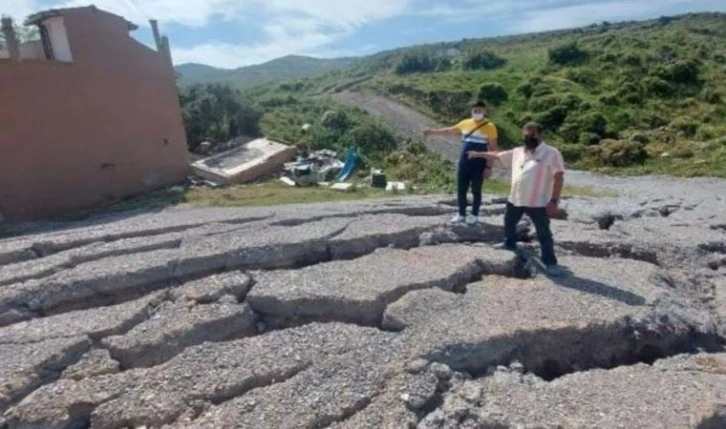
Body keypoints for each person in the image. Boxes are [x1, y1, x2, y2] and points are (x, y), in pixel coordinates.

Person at [468, 122, 565, 276]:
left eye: (532, 134)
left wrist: (554, 201)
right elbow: (498, 155)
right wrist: (479, 154)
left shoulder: (551, 153)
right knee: (509, 221)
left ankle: (550, 262)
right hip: (516, 198)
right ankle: (509, 243)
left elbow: (559, 176)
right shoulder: (519, 151)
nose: (529, 137)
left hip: (538, 202)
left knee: (543, 232)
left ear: (540, 135)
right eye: (526, 134)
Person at [423, 101, 498, 225]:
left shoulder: (490, 126)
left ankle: (474, 215)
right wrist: (433, 131)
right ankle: (461, 214)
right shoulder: (465, 123)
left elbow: (493, 148)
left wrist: (489, 166)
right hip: (464, 162)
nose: (477, 112)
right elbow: (449, 130)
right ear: (471, 110)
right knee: (461, 189)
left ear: (485, 111)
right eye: (475, 110)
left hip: (479, 163)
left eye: (479, 110)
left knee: (476, 189)